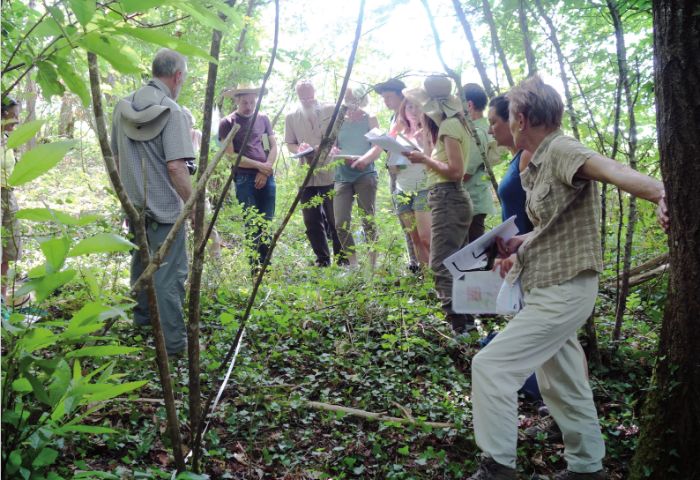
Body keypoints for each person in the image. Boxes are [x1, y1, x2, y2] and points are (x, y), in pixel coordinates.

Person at [468, 75, 668, 480]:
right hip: (547, 283)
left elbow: (607, 167)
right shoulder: (538, 162)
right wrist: (520, 241)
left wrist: (661, 191)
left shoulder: (560, 147)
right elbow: (553, 223)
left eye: (505, 117)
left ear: (521, 118)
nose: (499, 126)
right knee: (562, 382)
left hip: (565, 288)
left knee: (491, 366)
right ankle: (587, 468)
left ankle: (498, 469)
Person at [111, 48, 194, 357]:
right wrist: (194, 205)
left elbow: (116, 159)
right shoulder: (172, 112)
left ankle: (142, 327)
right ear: (177, 76)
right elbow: (176, 168)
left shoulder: (122, 108)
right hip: (167, 211)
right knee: (169, 276)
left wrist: (128, 200)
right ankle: (172, 346)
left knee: (141, 264)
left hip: (134, 208)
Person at [404, 75, 474, 335]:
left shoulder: (449, 128)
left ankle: (460, 328)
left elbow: (455, 171)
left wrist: (425, 160)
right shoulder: (455, 125)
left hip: (448, 196)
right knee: (455, 263)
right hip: (448, 197)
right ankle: (466, 323)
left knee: (440, 264)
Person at [218, 83, 278, 267]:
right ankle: (255, 268)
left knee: (266, 223)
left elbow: (271, 146)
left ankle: (265, 270)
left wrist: (265, 170)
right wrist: (260, 166)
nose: (249, 106)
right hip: (244, 178)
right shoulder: (228, 123)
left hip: (266, 176)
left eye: (252, 102)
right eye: (245, 102)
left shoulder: (263, 119)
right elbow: (231, 155)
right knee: (252, 224)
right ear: (237, 100)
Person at [284, 80, 342, 267]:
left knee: (335, 217)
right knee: (311, 219)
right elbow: (290, 143)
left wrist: (330, 147)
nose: (307, 100)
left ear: (315, 92)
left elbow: (339, 138)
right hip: (306, 173)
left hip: (329, 170)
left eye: (310, 96)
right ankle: (322, 259)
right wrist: (299, 148)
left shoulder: (329, 110)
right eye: (303, 97)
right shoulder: (291, 116)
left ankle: (342, 259)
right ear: (298, 96)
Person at [372, 78, 420, 272]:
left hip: (414, 177)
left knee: (417, 222)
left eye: (389, 97)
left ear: (401, 95)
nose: (386, 101)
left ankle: (422, 263)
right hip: (396, 175)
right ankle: (414, 262)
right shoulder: (393, 118)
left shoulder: (412, 116)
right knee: (404, 219)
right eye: (383, 98)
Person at [334, 87, 381, 266]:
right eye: (347, 98)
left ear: (362, 98)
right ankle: (353, 265)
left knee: (367, 219)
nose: (351, 102)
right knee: (340, 223)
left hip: (365, 174)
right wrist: (334, 151)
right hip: (342, 175)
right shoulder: (339, 119)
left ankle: (372, 265)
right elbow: (333, 144)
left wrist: (364, 159)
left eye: (354, 98)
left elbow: (378, 146)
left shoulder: (370, 118)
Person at [390, 98, 431, 267]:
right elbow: (392, 169)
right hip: (402, 190)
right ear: (403, 111)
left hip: (424, 187)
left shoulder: (429, 132)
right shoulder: (399, 136)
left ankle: (440, 279)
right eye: (409, 107)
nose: (413, 111)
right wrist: (396, 163)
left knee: (426, 237)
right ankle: (426, 282)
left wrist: (422, 146)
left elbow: (437, 161)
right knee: (414, 239)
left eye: (417, 106)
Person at [488, 94, 533, 234]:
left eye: (493, 123)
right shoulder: (517, 159)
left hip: (527, 249)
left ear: (512, 120)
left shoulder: (527, 156)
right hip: (516, 250)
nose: (490, 131)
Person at [182, 106, 222, 259]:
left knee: (207, 225)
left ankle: (215, 261)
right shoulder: (172, 139)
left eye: (188, 123)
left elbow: (213, 150)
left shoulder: (196, 136)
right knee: (182, 229)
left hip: (198, 189)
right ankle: (186, 262)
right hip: (179, 190)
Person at [462, 83, 497, 242]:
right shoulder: (479, 128)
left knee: (473, 253)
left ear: (469, 105)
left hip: (472, 200)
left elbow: (466, 172)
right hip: (471, 199)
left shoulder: (477, 132)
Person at [1, 97, 22, 305]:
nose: (17, 119)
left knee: (8, 249)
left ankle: (1, 298)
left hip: (8, 194)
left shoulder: (9, 140)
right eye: (13, 114)